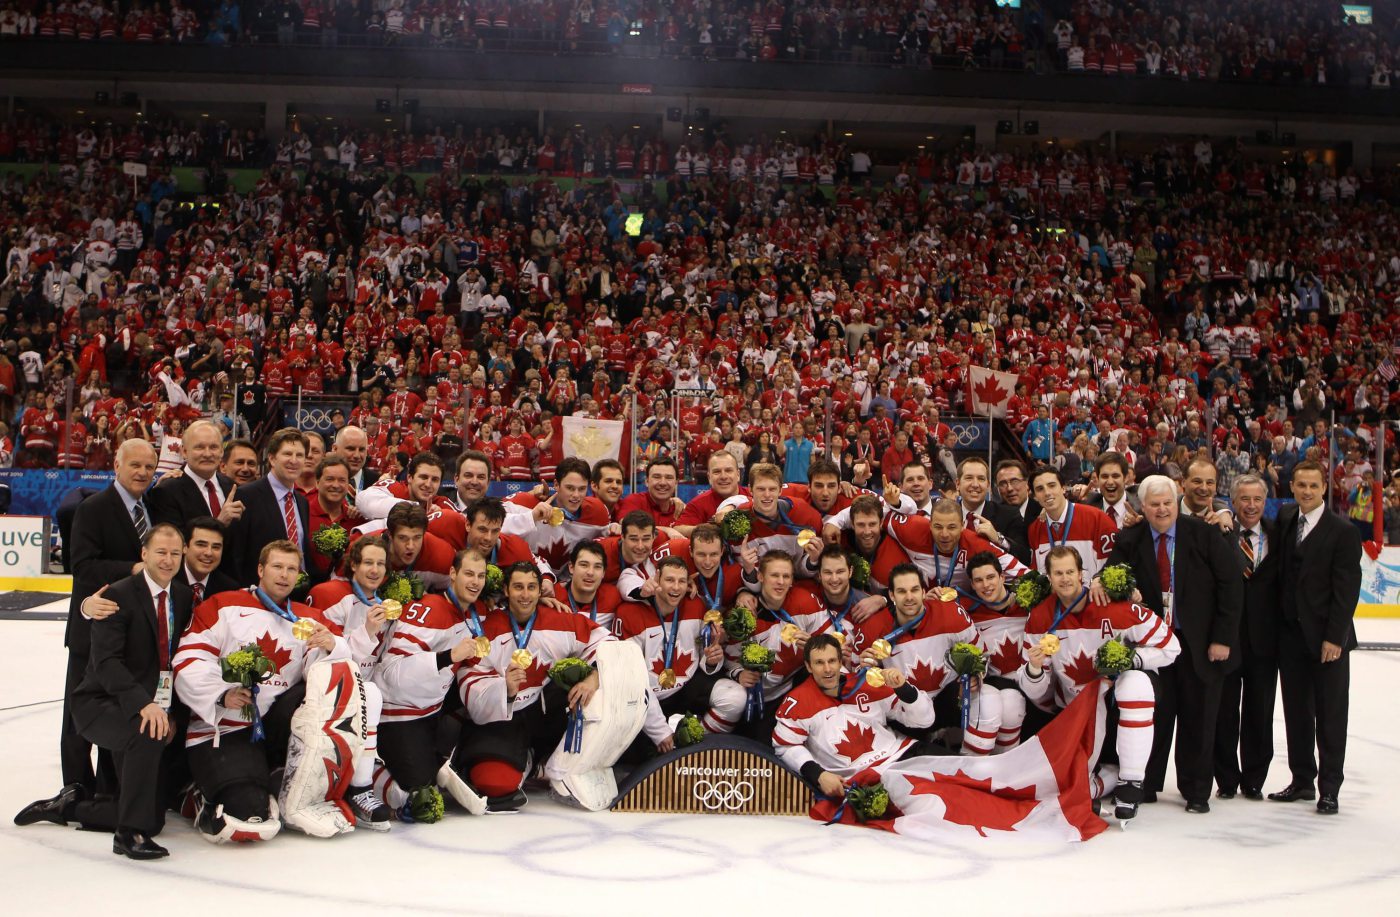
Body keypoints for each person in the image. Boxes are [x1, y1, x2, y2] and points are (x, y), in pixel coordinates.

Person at [15, 524, 193, 860]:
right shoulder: (117, 595)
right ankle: (129, 834)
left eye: (174, 553)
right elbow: (107, 663)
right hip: (100, 703)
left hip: (147, 703)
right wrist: (144, 705)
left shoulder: (182, 597)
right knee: (148, 733)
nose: (168, 560)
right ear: (144, 554)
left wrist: (165, 709)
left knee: (154, 818)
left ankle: (71, 807)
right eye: (160, 552)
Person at [173, 540, 360, 842]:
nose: (284, 575)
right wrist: (221, 694)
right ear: (260, 570)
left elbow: (336, 671)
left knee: (333, 675)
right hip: (226, 729)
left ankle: (277, 778)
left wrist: (331, 646)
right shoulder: (223, 605)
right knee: (249, 816)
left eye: (291, 569)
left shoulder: (307, 618)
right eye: (277, 567)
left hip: (277, 731)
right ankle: (200, 795)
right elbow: (189, 659)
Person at [1097, 474, 1243, 813]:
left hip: (1199, 643)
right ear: (1143, 507)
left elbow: (1231, 586)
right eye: (1154, 504)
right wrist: (1110, 586)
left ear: (1176, 503)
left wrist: (1222, 639)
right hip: (1152, 646)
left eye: (1167, 503)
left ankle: (1196, 791)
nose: (1162, 509)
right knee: (1155, 714)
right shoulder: (1131, 537)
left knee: (1199, 717)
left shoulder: (1204, 534)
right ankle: (1146, 784)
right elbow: (1111, 576)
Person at [1018, 546, 1181, 821]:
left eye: (1070, 572)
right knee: (1062, 784)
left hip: (1117, 706)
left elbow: (1171, 648)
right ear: (1049, 577)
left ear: (1082, 574)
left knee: (1136, 683)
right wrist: (1034, 668)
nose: (1065, 578)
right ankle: (1102, 782)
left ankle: (1131, 782)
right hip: (1078, 714)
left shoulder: (1114, 606)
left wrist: (1130, 659)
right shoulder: (1040, 618)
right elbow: (1035, 692)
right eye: (1058, 573)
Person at [452, 563, 613, 812]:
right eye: (518, 587)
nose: (525, 595)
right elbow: (469, 677)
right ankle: (532, 761)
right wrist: (503, 688)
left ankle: (555, 758)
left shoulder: (560, 620)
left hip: (549, 714)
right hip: (505, 718)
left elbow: (611, 646)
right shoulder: (487, 629)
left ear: (540, 591)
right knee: (492, 783)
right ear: (506, 590)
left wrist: (594, 676)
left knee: (592, 689)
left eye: (531, 587)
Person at [53, 439, 158, 807]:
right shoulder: (94, 508)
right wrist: (133, 569)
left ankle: (109, 788)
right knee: (78, 713)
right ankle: (76, 786)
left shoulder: (152, 507)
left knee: (119, 710)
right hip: (91, 630)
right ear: (117, 465)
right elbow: (83, 567)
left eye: (149, 467)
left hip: (130, 633)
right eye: (135, 465)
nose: (142, 472)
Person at [370, 547, 494, 821]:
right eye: (469, 574)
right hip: (397, 714)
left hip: (430, 711)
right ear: (453, 574)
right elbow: (392, 672)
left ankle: (441, 760)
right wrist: (449, 656)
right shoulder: (429, 609)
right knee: (419, 796)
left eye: (481, 576)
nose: (475, 582)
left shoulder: (470, 612)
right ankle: (363, 767)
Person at [1270, 460, 1362, 815]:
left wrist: (1335, 638)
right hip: (1291, 637)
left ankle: (1330, 789)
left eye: (1313, 485)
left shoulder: (1343, 531)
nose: (1307, 491)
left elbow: (1346, 591)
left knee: (1330, 715)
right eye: (1301, 485)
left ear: (1324, 488)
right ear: (1292, 487)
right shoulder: (1286, 518)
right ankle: (1302, 780)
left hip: (1327, 640)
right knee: (1296, 712)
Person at [852, 563, 999, 755]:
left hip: (948, 698)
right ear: (892, 595)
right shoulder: (871, 629)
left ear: (923, 592)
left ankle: (972, 765)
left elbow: (981, 654)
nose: (909, 597)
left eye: (914, 590)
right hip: (906, 710)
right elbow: (855, 678)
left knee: (989, 699)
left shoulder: (951, 614)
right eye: (902, 591)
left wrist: (975, 674)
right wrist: (864, 670)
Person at [773, 633, 935, 794]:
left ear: (840, 662)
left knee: (950, 777)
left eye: (832, 661)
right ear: (808, 666)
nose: (827, 669)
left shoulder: (868, 683)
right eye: (819, 663)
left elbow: (924, 720)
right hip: (860, 781)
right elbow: (786, 746)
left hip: (902, 755)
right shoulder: (797, 702)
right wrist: (818, 774)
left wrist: (903, 688)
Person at [615, 556, 746, 750]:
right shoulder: (629, 614)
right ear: (657, 579)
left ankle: (694, 745)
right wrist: (660, 731)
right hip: (647, 696)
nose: (676, 587)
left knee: (735, 697)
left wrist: (711, 660)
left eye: (682, 581)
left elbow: (704, 656)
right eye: (669, 580)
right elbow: (630, 680)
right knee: (640, 749)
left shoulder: (695, 605)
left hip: (685, 688)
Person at [1215, 473, 1281, 801]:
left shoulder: (1279, 534)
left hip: (1265, 641)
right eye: (1244, 499)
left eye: (1257, 499)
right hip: (1227, 639)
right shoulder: (1220, 533)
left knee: (1259, 712)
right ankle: (1226, 779)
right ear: (1233, 502)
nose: (1251, 505)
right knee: (1224, 711)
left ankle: (1254, 778)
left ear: (1266, 502)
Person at [959, 551, 1032, 752]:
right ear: (972, 585)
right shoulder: (966, 612)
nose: (986, 585)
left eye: (990, 577)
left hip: (1032, 689)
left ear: (1002, 577)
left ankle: (1004, 763)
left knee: (1012, 705)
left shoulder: (1028, 605)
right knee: (1008, 704)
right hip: (992, 685)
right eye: (979, 580)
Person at [223, 428, 310, 586]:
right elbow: (235, 555)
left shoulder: (302, 502)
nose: (294, 460)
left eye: (299, 455)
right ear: (272, 458)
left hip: (296, 592)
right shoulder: (247, 495)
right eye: (287, 454)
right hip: (255, 592)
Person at [1027, 464, 1118, 584]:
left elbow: (1114, 568)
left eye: (1052, 485)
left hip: (1092, 595)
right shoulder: (1035, 529)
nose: (1047, 492)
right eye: (1040, 489)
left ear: (1063, 488)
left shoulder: (1096, 518)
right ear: (1034, 496)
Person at [148, 419, 241, 529]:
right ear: (184, 452)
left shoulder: (232, 487)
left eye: (213, 447)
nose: (207, 454)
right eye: (199, 447)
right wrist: (220, 523)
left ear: (221, 451)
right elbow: (172, 539)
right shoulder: (166, 491)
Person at [954, 456, 1031, 565]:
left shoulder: (1008, 515)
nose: (975, 484)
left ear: (988, 485)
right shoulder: (945, 515)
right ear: (957, 484)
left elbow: (1026, 558)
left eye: (981, 479)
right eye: (969, 478)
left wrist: (999, 539)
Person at [176, 516, 240, 603]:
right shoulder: (167, 580)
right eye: (201, 545)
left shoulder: (229, 589)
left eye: (216, 547)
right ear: (184, 547)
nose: (209, 553)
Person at [615, 456, 685, 528]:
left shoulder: (680, 509)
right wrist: (669, 530)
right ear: (646, 481)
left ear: (676, 482)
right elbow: (628, 527)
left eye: (669, 478)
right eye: (657, 477)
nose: (663, 483)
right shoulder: (634, 501)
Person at [332, 424, 378, 497]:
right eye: (351, 449)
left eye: (361, 449)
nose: (357, 455)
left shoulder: (377, 483)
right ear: (335, 449)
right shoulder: (322, 480)